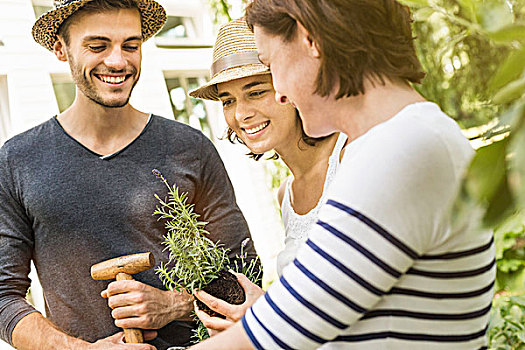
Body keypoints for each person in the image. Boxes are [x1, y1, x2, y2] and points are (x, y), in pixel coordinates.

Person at [190, 0, 496, 349]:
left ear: (310, 40)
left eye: (270, 65)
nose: (280, 91)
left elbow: (270, 335)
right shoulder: (404, 138)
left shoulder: (400, 147)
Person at [0, 1, 257, 349]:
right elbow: (4, 297)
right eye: (98, 46)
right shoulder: (17, 161)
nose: (118, 61)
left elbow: (244, 274)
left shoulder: (189, 148)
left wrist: (172, 305)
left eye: (131, 46)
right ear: (61, 49)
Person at [187, 18, 347, 335]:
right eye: (228, 100)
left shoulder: (349, 156)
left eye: (256, 91)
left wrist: (267, 315)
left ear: (290, 84)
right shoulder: (286, 195)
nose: (241, 113)